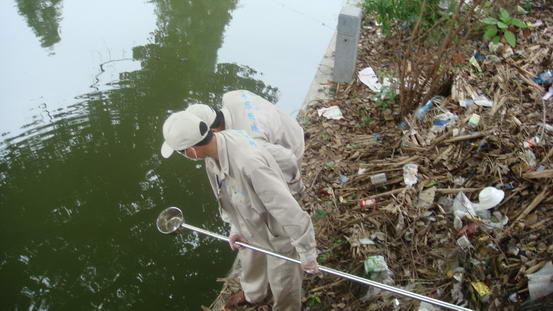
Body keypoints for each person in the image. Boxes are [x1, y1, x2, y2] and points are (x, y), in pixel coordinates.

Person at [160, 111, 319, 310]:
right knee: (251, 262)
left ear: (191, 150)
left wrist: (307, 251)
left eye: (181, 152)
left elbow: (288, 210)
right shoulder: (213, 154)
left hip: (277, 232)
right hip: (252, 224)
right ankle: (255, 294)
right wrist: (235, 228)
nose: (183, 156)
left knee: (284, 283)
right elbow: (226, 197)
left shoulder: (250, 164)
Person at [185, 90, 305, 196]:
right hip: (289, 126)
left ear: (213, 131)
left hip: (293, 145)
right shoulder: (231, 96)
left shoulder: (249, 141)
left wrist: (295, 189)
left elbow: (287, 160)